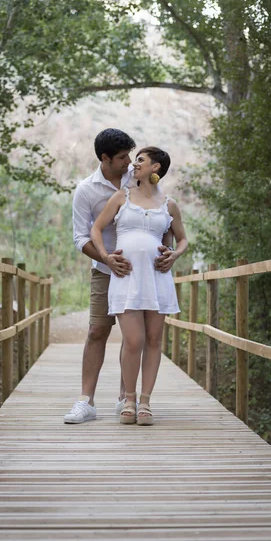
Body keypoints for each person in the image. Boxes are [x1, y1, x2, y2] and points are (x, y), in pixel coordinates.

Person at [64, 130, 176, 424]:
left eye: (132, 156)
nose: (129, 162)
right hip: (106, 270)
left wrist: (169, 251)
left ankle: (126, 398)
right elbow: (80, 236)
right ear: (105, 158)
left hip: (147, 274)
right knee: (97, 331)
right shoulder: (86, 190)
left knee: (137, 338)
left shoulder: (138, 177)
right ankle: (86, 401)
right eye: (123, 157)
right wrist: (107, 259)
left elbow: (163, 218)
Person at [91, 146, 188, 425]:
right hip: (127, 277)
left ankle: (146, 401)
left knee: (154, 341)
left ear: (155, 168)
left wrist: (176, 254)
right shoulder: (122, 197)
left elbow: (182, 239)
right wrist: (107, 258)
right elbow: (96, 229)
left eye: (141, 160)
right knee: (134, 340)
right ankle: (129, 399)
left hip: (157, 278)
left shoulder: (169, 204)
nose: (134, 164)